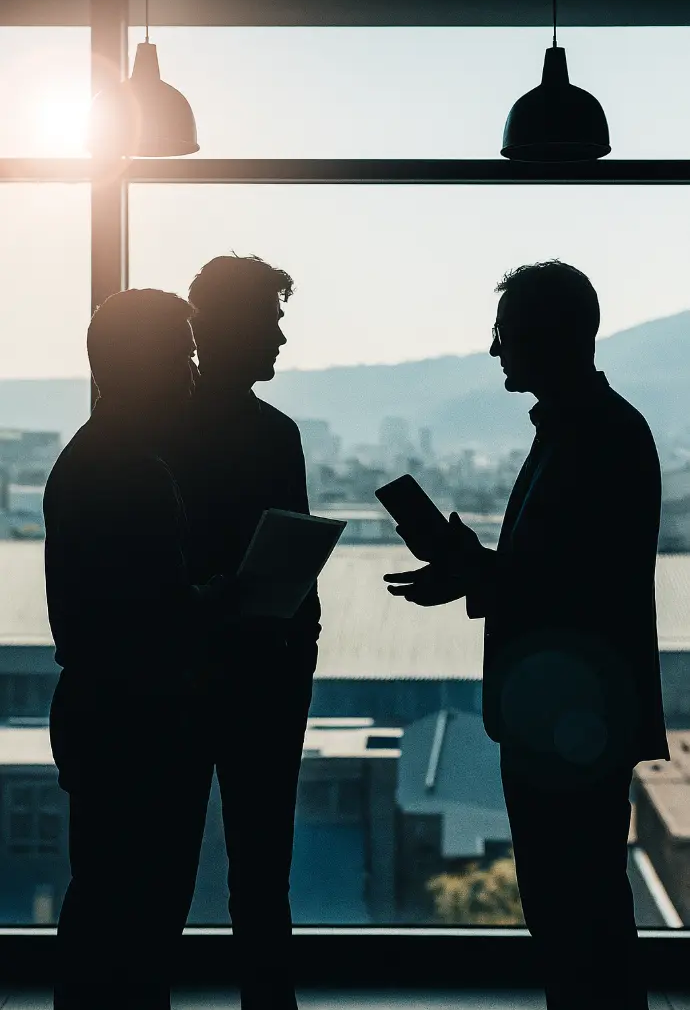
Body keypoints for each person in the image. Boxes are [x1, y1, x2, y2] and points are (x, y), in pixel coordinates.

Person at [384, 260, 668, 1010]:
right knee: (581, 911)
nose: (492, 348)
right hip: (577, 713)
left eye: (505, 332)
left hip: (568, 720)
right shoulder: (601, 430)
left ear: (545, 335)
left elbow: (570, 586)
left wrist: (473, 568)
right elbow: (575, 577)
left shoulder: (592, 436)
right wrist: (476, 567)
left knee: (575, 914)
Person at [45, 289, 232, 1010]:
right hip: (142, 719)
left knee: (104, 903)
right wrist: (223, 596)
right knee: (143, 913)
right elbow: (155, 613)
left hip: (99, 710)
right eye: (182, 352)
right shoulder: (137, 470)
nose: (193, 369)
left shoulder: (92, 458)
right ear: (147, 363)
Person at [168, 254, 321, 1010]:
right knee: (263, 876)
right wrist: (300, 668)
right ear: (232, 326)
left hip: (182, 679)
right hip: (266, 679)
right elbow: (298, 578)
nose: (282, 337)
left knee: (157, 870)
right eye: (272, 318)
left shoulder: (159, 430)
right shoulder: (276, 435)